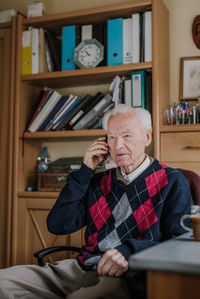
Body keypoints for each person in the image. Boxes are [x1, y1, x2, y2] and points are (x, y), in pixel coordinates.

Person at [0, 104, 193, 298]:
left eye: (127, 135)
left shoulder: (172, 181)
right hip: (81, 268)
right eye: (111, 137)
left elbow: (181, 242)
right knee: (3, 283)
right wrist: (85, 170)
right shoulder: (98, 181)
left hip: (128, 275)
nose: (118, 146)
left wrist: (130, 250)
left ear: (147, 137)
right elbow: (58, 225)